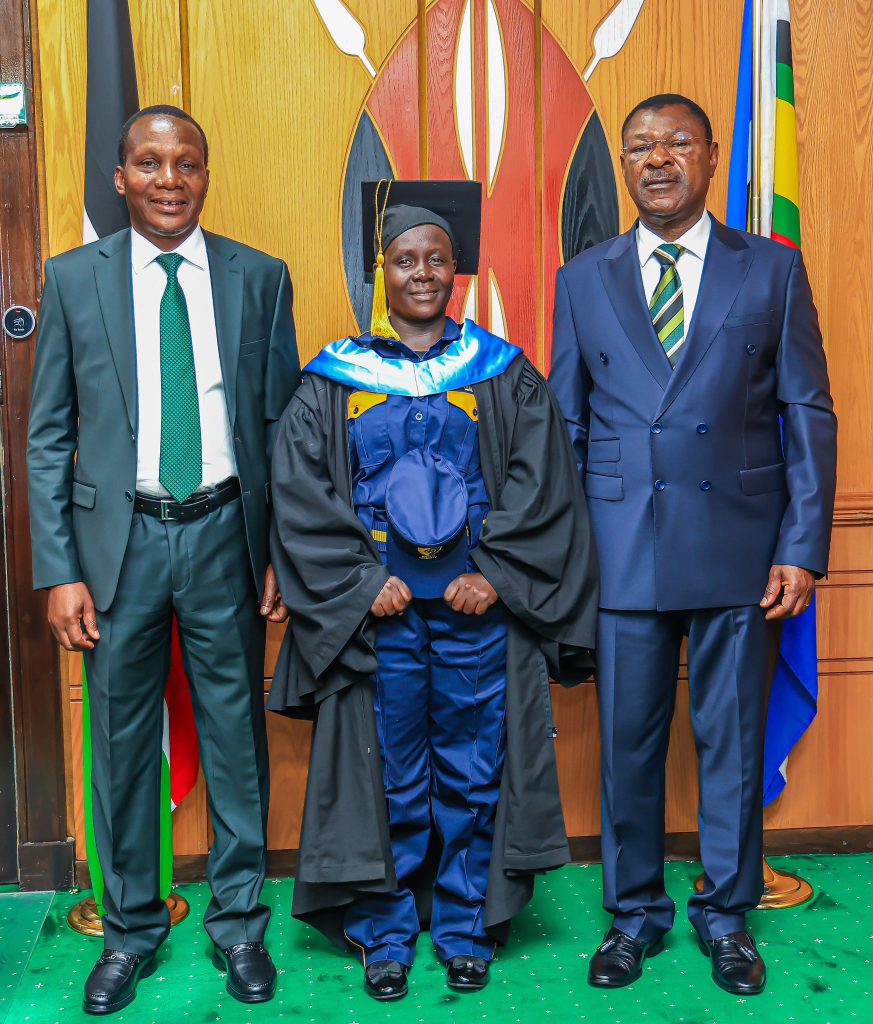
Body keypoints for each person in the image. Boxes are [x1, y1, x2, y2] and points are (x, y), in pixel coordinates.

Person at [267, 180, 598, 1002]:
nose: (420, 272)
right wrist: (359, 580)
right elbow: (302, 491)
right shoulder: (333, 378)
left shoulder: (502, 373)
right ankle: (384, 930)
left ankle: (460, 926)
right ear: (382, 271)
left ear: (458, 271)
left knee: (471, 766)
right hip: (375, 614)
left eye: (435, 260)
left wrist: (496, 574)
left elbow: (543, 480)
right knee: (386, 770)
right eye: (404, 259)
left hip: (472, 611)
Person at [549, 94, 836, 996]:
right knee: (628, 746)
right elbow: (564, 421)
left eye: (676, 143)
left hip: (740, 550)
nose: (657, 159)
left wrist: (802, 544)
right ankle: (632, 917)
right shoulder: (581, 276)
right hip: (620, 550)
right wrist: (562, 562)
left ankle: (725, 914)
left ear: (712, 158)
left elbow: (806, 411)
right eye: (640, 147)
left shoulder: (772, 270)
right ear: (623, 166)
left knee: (732, 739)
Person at [27, 105, 300, 1014]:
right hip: (120, 545)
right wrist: (59, 568)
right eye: (150, 163)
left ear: (207, 174)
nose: (169, 179)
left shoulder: (259, 277)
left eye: (186, 162)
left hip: (227, 534)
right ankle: (131, 930)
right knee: (121, 744)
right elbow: (48, 438)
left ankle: (237, 926)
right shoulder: (72, 280)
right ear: (121, 178)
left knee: (235, 740)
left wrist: (282, 555)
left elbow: (281, 429)